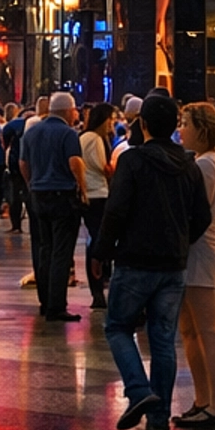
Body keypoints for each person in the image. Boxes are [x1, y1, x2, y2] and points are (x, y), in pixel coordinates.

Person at [98, 91, 211, 430]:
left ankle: (138, 389)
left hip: (134, 259)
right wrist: (180, 238)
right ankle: (159, 417)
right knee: (163, 336)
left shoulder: (133, 161)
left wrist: (101, 250)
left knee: (118, 326)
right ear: (175, 125)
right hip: (173, 263)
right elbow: (202, 217)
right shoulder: (189, 164)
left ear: (142, 124)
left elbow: (116, 210)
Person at [174, 101, 215, 426]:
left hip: (201, 251)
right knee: (192, 329)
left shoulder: (205, 165)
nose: (180, 130)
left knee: (206, 329)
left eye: (185, 123)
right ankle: (203, 400)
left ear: (201, 128)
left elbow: (193, 212)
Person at [21, 90, 87, 321]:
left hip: (38, 195)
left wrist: (32, 184)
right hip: (62, 195)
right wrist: (83, 187)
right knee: (61, 251)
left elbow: (23, 163)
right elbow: (74, 162)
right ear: (68, 111)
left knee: (43, 248)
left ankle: (45, 300)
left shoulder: (32, 131)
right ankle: (57, 305)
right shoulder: (68, 134)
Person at [79, 102, 117, 309]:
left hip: (88, 194)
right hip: (99, 194)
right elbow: (103, 167)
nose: (112, 123)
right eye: (110, 119)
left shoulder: (84, 138)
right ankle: (99, 286)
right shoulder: (95, 139)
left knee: (94, 240)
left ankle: (98, 287)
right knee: (100, 241)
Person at [0, 100, 27, 232]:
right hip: (28, 165)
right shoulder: (30, 126)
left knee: (14, 195)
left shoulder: (11, 127)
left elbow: (4, 143)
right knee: (27, 194)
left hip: (14, 165)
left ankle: (15, 225)